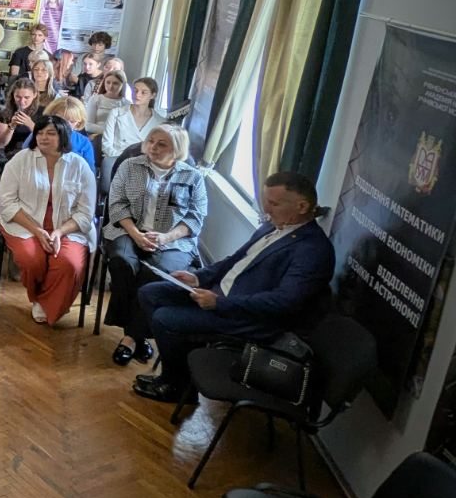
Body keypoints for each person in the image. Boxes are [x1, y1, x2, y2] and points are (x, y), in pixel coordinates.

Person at [131, 172, 334, 403]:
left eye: (274, 204)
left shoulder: (313, 250)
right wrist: (198, 277)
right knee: (150, 293)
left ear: (302, 206)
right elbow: (235, 259)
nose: (267, 210)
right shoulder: (273, 225)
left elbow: (283, 302)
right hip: (220, 295)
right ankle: (183, 367)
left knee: (165, 319)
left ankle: (175, 385)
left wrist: (220, 303)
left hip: (246, 318)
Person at [103, 126, 206, 366]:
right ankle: (138, 334)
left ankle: (131, 337)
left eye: (162, 144)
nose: (153, 147)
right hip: (128, 229)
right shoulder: (130, 166)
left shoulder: (193, 177)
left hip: (173, 240)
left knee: (157, 272)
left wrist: (166, 238)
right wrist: (136, 234)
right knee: (121, 262)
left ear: (177, 150)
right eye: (151, 141)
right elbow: (116, 205)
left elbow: (195, 218)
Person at [0, 115, 96, 326]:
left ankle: (46, 303)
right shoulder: (20, 160)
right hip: (25, 223)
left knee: (69, 263)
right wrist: (37, 230)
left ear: (63, 137)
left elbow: (85, 213)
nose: (43, 137)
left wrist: (59, 232)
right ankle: (38, 297)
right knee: (32, 259)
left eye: (51, 133)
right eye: (40, 133)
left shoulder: (79, 166)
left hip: (67, 226)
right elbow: (6, 203)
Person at [102, 77, 164, 162]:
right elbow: (106, 145)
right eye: (135, 90)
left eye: (143, 92)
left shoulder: (160, 122)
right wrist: (122, 159)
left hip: (144, 162)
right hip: (115, 158)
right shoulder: (116, 113)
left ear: (153, 95)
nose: (137, 95)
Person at [29, 96, 97, 173]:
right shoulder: (39, 135)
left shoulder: (83, 142)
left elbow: (90, 171)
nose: (65, 124)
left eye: (72, 121)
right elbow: (26, 157)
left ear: (78, 123)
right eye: (60, 119)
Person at [0, 78, 39, 158]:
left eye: (26, 97)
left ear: (34, 95)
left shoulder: (42, 113)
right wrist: (11, 127)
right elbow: (0, 144)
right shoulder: (5, 114)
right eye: (18, 97)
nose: (22, 101)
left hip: (35, 155)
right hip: (10, 156)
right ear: (13, 95)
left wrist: (31, 125)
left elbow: (46, 139)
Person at [85, 70, 130, 141]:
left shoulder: (126, 104)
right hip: (96, 136)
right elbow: (88, 125)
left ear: (122, 85)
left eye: (115, 83)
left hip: (117, 140)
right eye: (108, 82)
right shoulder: (95, 99)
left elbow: (126, 128)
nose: (111, 86)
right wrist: (110, 132)